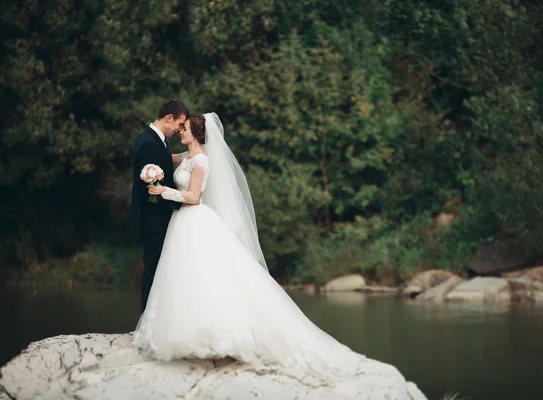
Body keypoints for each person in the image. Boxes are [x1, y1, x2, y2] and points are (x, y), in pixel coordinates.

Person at [132, 112, 367, 380]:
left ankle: (214, 336)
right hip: (180, 224)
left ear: (197, 134)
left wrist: (165, 192)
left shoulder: (200, 160)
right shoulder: (185, 157)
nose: (180, 132)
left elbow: (195, 197)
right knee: (183, 277)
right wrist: (151, 171)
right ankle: (180, 331)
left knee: (205, 275)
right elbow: (162, 159)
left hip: (194, 219)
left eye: (184, 129)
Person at [129, 99, 189, 312]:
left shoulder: (158, 140)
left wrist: (192, 155)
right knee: (153, 270)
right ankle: (147, 321)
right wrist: (184, 201)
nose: (179, 130)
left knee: (160, 270)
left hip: (159, 218)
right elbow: (152, 187)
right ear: (169, 118)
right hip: (152, 218)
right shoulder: (148, 142)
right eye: (179, 125)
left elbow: (164, 161)